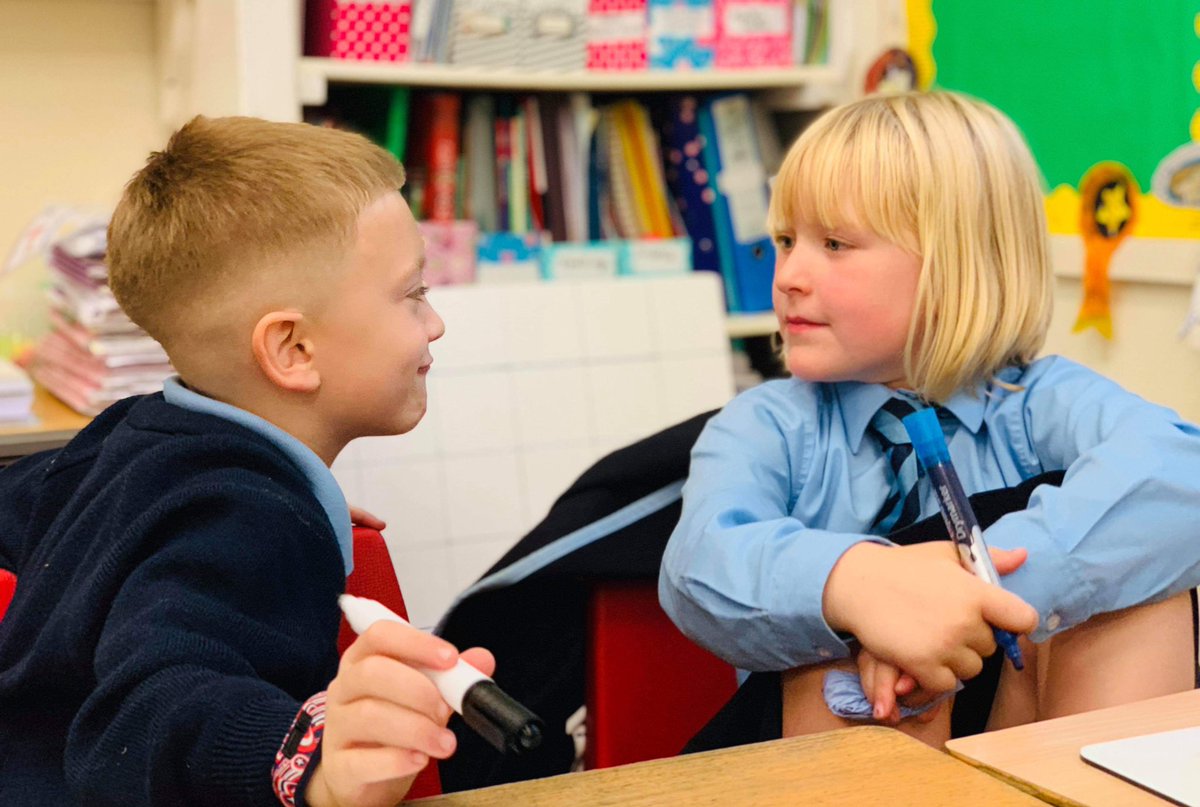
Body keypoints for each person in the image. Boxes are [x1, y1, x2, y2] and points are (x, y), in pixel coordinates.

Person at [660, 91, 1200, 746]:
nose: (789, 274)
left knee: (1136, 584)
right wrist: (865, 589)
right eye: (784, 240)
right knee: (833, 654)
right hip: (842, 748)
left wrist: (970, 593)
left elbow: (1181, 471)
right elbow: (699, 563)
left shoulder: (1035, 401)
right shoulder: (770, 424)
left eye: (833, 242)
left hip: (1017, 728)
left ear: (956, 264)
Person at [0, 116, 494, 806]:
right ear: (292, 349)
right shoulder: (248, 517)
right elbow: (157, 697)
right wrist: (309, 762)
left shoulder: (137, 437)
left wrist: (288, 500)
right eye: (413, 294)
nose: (434, 322)